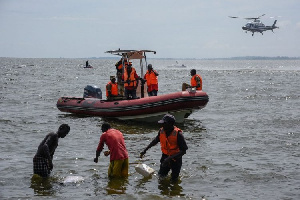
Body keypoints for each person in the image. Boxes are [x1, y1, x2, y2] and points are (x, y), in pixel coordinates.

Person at [140, 114, 188, 181]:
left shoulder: (178, 134)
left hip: (176, 159)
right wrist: (145, 150)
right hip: (165, 157)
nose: (162, 125)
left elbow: (184, 150)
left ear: (170, 124)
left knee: (174, 180)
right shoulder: (161, 131)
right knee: (161, 177)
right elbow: (155, 141)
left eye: (164, 123)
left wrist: (170, 158)